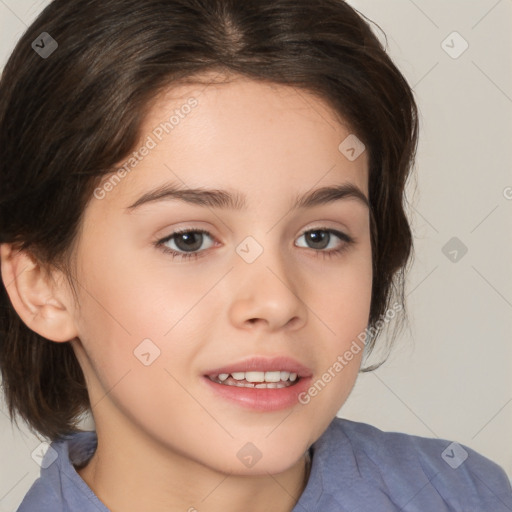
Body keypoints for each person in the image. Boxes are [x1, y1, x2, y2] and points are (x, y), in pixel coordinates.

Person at [0, 0, 510, 511]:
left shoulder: (464, 494)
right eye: (189, 239)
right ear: (41, 284)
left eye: (319, 237)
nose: (275, 300)